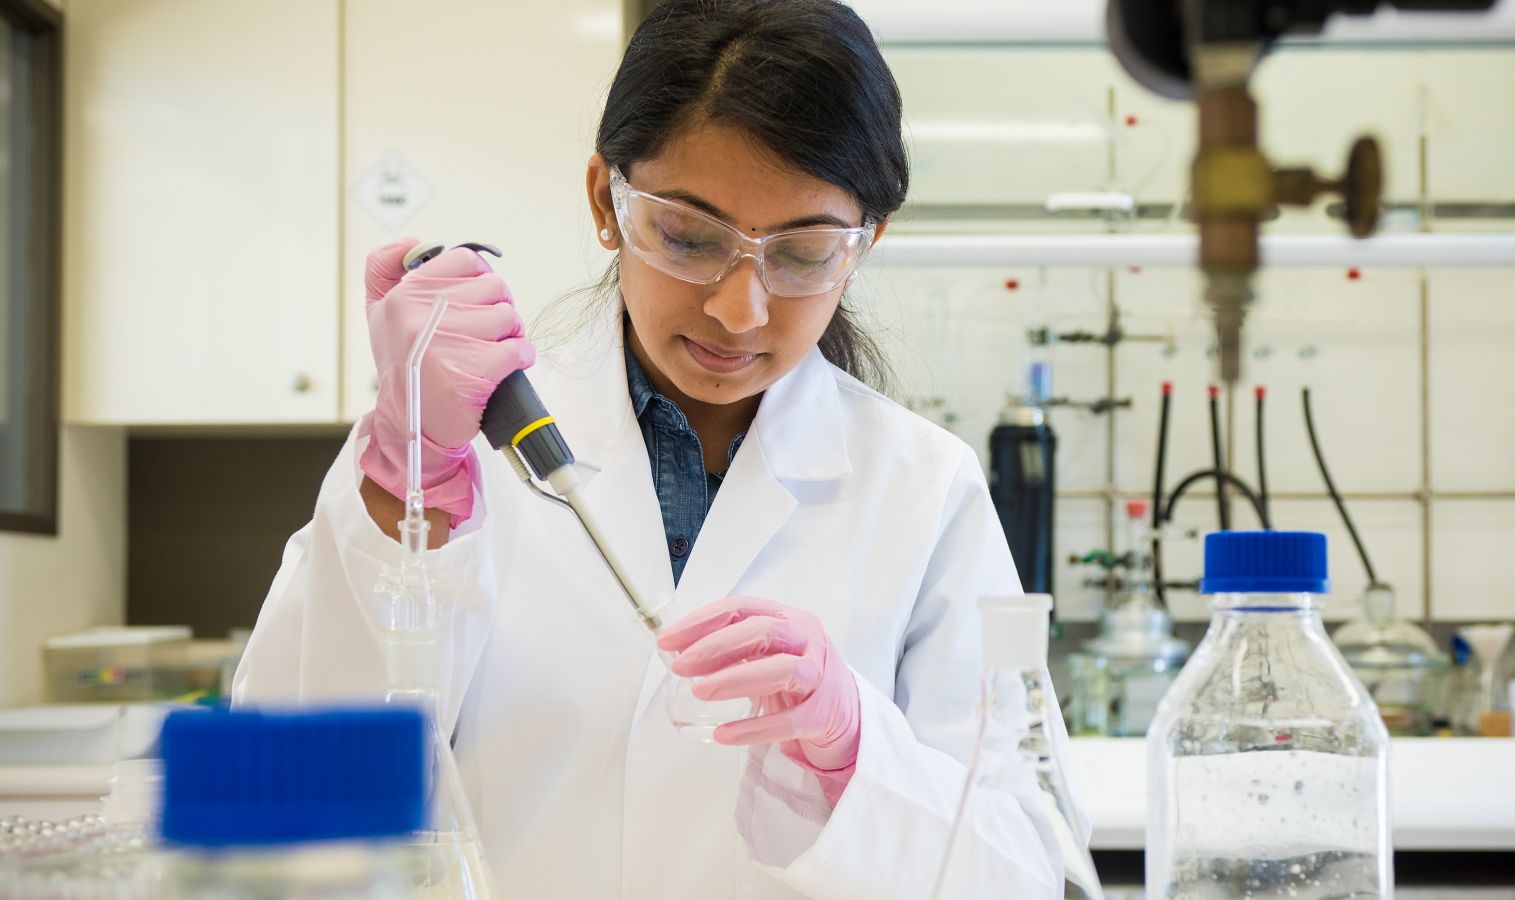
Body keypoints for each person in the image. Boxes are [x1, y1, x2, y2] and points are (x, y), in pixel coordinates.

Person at [233, 1, 1095, 896]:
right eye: (690, 236)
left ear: (864, 245)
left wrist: (854, 756)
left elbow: (1025, 867)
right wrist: (401, 487)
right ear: (609, 200)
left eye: (802, 254)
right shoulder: (446, 449)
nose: (739, 309)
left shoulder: (924, 490)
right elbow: (286, 790)